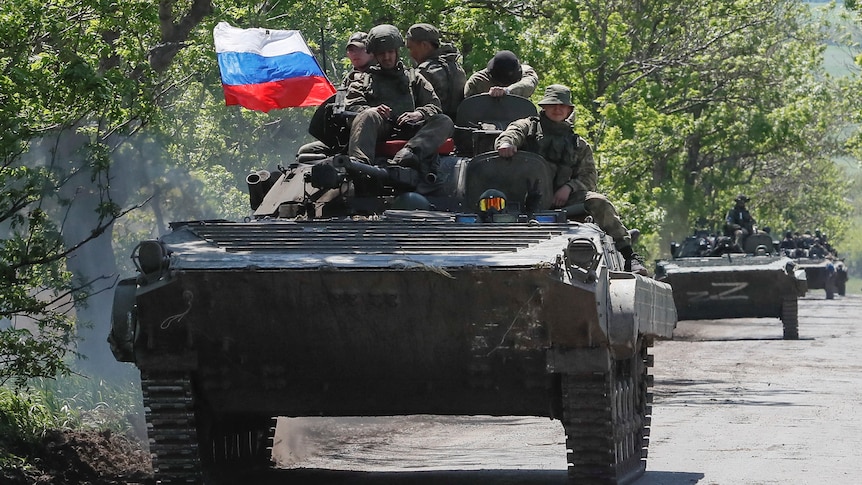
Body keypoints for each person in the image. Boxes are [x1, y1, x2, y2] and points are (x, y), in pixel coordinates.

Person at [494, 84, 648, 275]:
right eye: (552, 105)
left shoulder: (578, 144)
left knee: (598, 202)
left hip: (562, 201)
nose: (557, 109)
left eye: (562, 106)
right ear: (544, 107)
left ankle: (629, 256)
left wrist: (569, 187)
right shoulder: (528, 127)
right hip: (523, 198)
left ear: (569, 110)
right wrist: (507, 143)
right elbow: (511, 133)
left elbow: (589, 176)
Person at [344, 24, 454, 175]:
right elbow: (352, 109)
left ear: (397, 52)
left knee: (444, 121)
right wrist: (372, 111)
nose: (387, 57)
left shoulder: (414, 77)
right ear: (375, 55)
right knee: (367, 116)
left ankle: (408, 154)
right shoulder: (361, 81)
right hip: (379, 130)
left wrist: (419, 114)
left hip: (413, 132)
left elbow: (434, 106)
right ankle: (360, 168)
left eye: (390, 52)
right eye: (382, 53)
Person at [297, 32, 378, 157]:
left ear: (371, 52)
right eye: (351, 50)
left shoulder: (379, 76)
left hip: (369, 135)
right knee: (305, 152)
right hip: (344, 137)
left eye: (360, 49)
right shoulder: (349, 79)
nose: (355, 53)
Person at [405, 23, 467, 119]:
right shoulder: (457, 67)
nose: (410, 54)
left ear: (424, 45)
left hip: (434, 127)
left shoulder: (423, 71)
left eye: (411, 48)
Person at [464, 50, 539, 98]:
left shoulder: (527, 72)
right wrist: (484, 98)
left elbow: (528, 84)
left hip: (518, 117)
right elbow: (468, 105)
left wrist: (507, 91)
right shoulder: (477, 81)